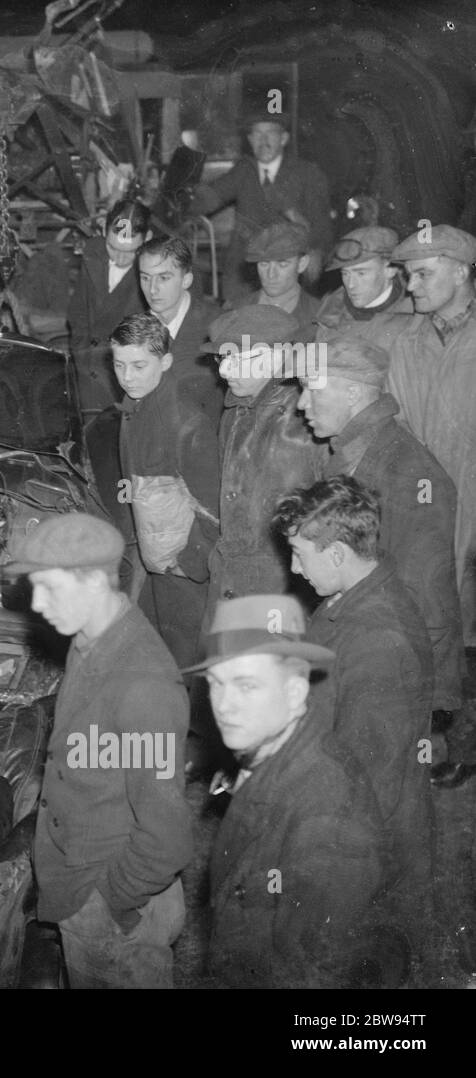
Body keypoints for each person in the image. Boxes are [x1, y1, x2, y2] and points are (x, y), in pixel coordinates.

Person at [3, 512, 192, 988]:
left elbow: (166, 835)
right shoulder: (89, 639)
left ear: (94, 581)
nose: (38, 606)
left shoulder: (143, 686)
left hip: (109, 900)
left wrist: (112, 905)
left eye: (49, 588)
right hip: (82, 876)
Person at [186, 595, 401, 988]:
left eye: (246, 685)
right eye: (216, 683)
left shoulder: (327, 818)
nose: (224, 706)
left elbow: (311, 968)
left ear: (295, 692)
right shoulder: (270, 750)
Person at [273, 476, 436, 961]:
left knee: (339, 958)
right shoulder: (350, 597)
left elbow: (366, 775)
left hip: (359, 843)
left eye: (301, 555)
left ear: (339, 553)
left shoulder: (378, 638)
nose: (294, 570)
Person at [295, 337, 464, 732]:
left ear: (353, 392)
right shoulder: (353, 452)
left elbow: (425, 598)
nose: (302, 404)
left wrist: (426, 700)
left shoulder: (408, 471)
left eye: (312, 389)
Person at [112, 312, 220, 678]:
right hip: (152, 560)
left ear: (166, 361)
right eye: (119, 364)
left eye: (139, 366)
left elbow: (214, 512)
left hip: (184, 574)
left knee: (184, 668)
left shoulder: (188, 425)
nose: (127, 377)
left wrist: (188, 562)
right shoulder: (132, 412)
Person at [387, 225, 476, 653]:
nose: (411, 285)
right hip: (429, 504)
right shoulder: (406, 341)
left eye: (423, 274)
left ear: (460, 274)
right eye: (408, 275)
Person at [204, 305, 326, 609]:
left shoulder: (310, 416)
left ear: (277, 356)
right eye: (221, 358)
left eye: (235, 359)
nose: (222, 370)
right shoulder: (236, 409)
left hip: (285, 586)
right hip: (232, 579)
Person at [190, 113, 332, 303]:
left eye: (270, 134)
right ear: (249, 140)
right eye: (257, 134)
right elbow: (208, 198)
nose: (263, 141)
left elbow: (322, 226)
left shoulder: (307, 174)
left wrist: (316, 250)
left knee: (282, 324)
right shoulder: (244, 170)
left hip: (285, 270)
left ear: (284, 138)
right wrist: (180, 194)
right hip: (245, 271)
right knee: (242, 327)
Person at [67, 200, 150, 415]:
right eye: (112, 247)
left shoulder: (156, 270)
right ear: (104, 229)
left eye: (131, 251)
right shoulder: (93, 251)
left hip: (128, 377)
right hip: (87, 368)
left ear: (146, 239)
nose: (120, 258)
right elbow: (78, 312)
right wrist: (81, 356)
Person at [136, 235, 221, 393]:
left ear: (186, 280)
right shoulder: (133, 329)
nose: (152, 289)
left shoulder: (218, 326)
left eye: (163, 278)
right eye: (145, 278)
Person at [314, 225, 413, 347]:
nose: (350, 284)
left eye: (361, 273)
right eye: (345, 273)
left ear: (390, 270)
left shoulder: (416, 317)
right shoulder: (329, 316)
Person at [225, 220, 321, 340]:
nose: (271, 274)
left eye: (282, 264)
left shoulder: (320, 317)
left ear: (302, 264)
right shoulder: (235, 312)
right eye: (264, 264)